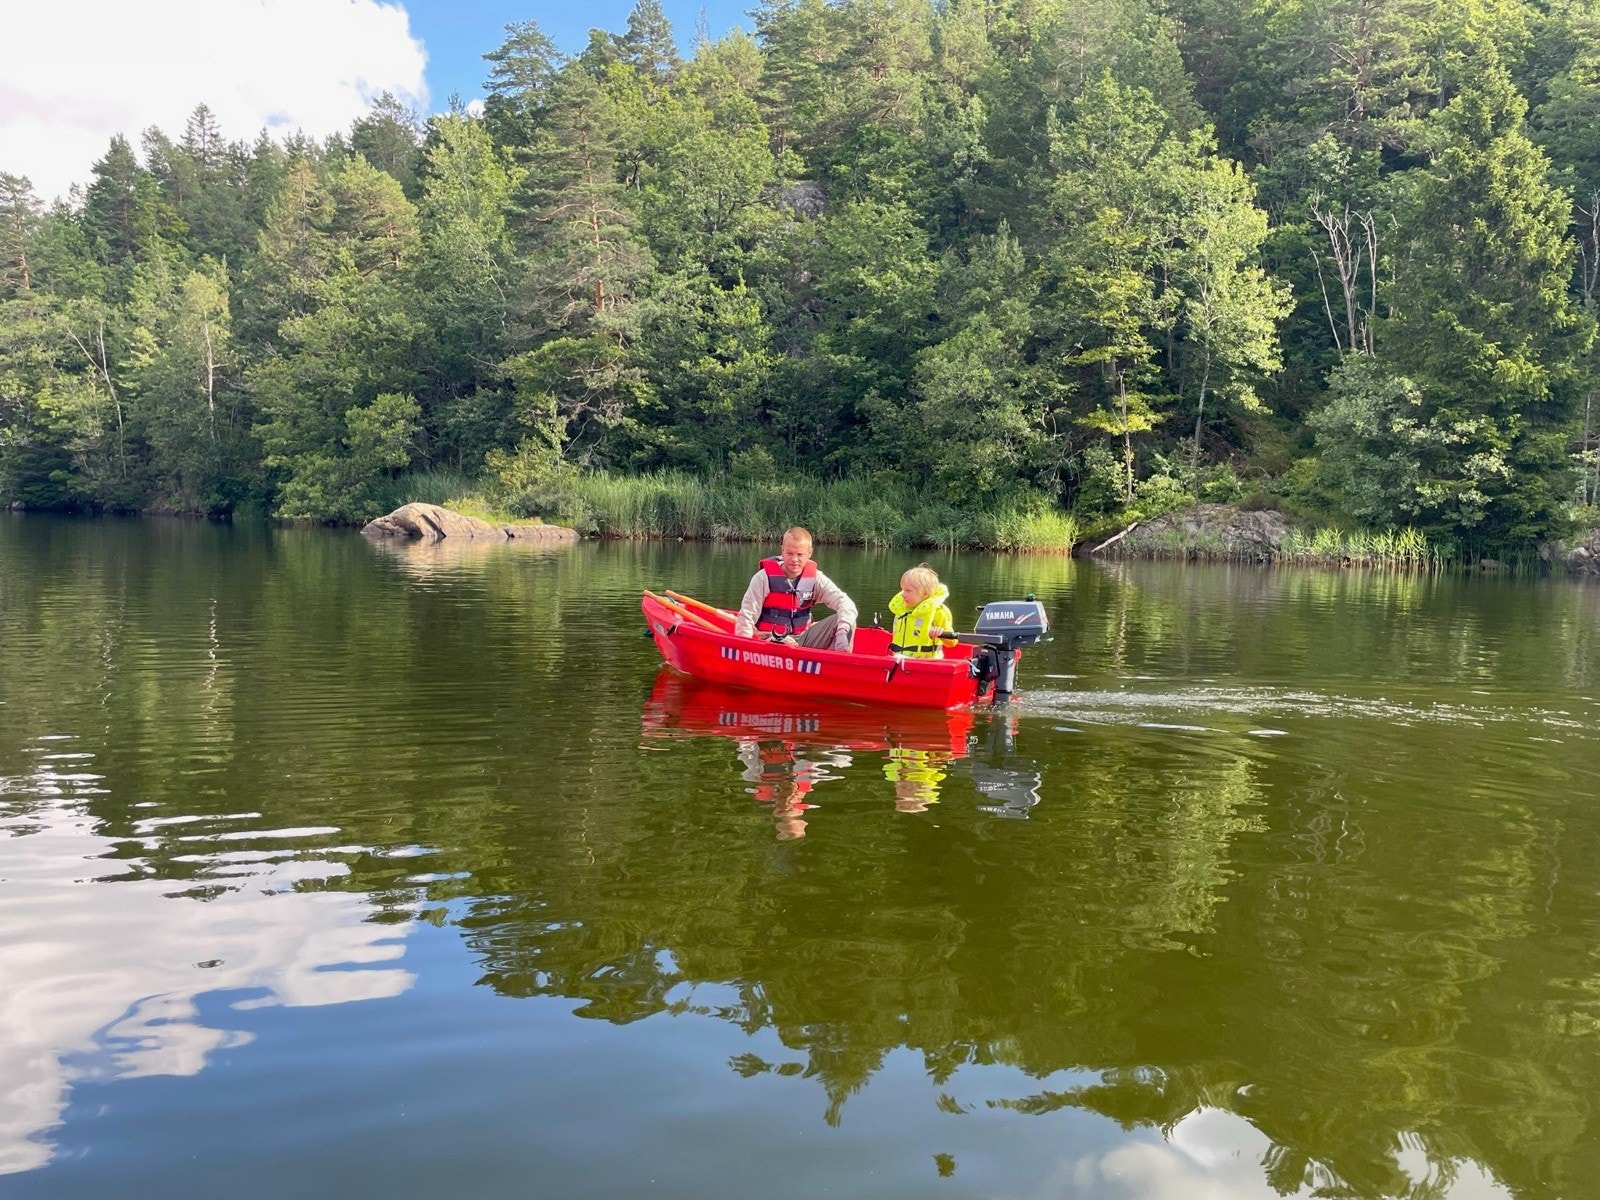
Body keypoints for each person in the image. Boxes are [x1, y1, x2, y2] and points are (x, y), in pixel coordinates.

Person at [734, 526, 858, 652]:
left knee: (847, 620)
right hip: (771, 640)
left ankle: (836, 662)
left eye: (799, 554)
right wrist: (743, 648)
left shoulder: (816, 578)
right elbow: (746, 616)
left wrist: (842, 631)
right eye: (789, 553)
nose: (794, 559)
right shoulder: (762, 578)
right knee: (786, 642)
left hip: (803, 638)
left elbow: (846, 603)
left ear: (809, 553)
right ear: (782, 550)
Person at [888, 563, 957, 659]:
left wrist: (940, 633)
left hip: (927, 663)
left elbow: (952, 642)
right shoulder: (902, 611)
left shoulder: (938, 612)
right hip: (899, 660)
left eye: (908, 591)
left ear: (924, 593)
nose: (902, 594)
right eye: (902, 589)